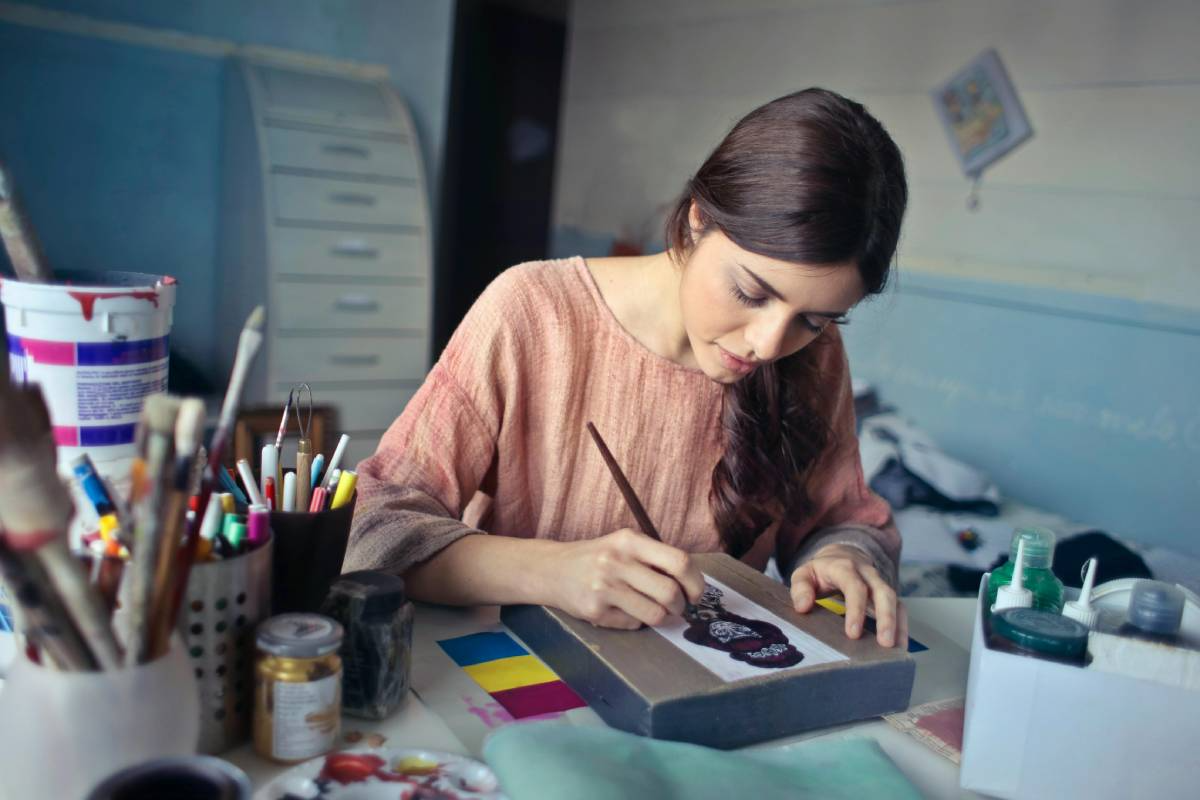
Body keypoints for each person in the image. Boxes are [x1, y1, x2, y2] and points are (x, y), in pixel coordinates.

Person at [344, 88, 909, 647]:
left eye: (813, 319)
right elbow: (374, 527)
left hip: (701, 694)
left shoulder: (813, 353)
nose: (768, 343)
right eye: (749, 291)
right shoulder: (532, 312)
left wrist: (844, 555)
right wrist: (552, 572)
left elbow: (843, 519)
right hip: (514, 674)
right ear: (695, 221)